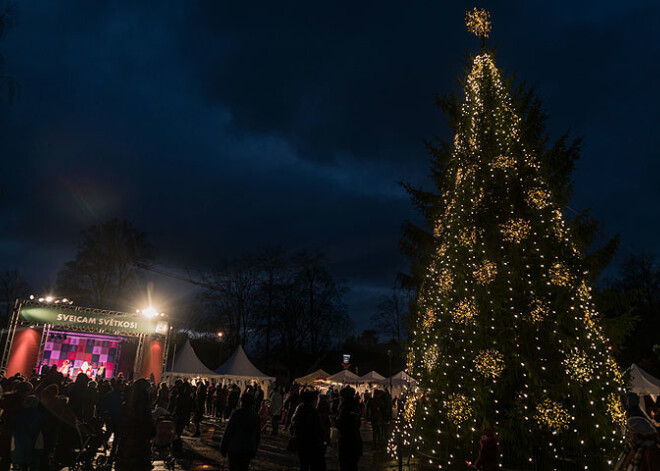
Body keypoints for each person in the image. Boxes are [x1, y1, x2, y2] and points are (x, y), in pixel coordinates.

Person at [115, 378, 156, 471]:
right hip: (140, 452)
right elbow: (151, 431)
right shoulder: (144, 409)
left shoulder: (125, 405)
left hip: (125, 451)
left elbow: (119, 427)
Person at [220, 393, 261, 471]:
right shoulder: (255, 416)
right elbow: (257, 435)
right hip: (248, 448)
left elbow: (228, 432)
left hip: (235, 447)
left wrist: (223, 447)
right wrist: (254, 449)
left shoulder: (236, 413)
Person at [291, 390, 325, 471]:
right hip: (311, 442)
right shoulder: (313, 412)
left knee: (303, 463)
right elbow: (317, 429)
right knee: (312, 463)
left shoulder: (299, 409)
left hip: (300, 440)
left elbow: (293, 425)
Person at [335, 386, 362, 471]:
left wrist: (335, 421)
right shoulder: (355, 405)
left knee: (346, 464)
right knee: (353, 464)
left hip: (347, 440)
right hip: (354, 439)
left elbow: (342, 423)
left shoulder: (345, 407)